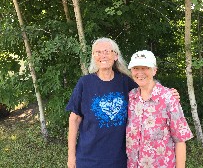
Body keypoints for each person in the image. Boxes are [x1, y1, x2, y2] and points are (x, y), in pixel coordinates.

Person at [66, 38, 180, 168]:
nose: (102, 55)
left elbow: (147, 86)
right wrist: (71, 155)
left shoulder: (125, 82)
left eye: (107, 51)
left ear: (115, 55)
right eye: (98, 52)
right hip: (88, 159)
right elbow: (74, 120)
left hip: (119, 159)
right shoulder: (85, 83)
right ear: (93, 56)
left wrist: (168, 93)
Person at [126, 50, 193, 168]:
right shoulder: (131, 97)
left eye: (145, 68)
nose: (140, 72)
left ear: (154, 70)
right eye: (136, 68)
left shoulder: (168, 98)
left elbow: (180, 139)